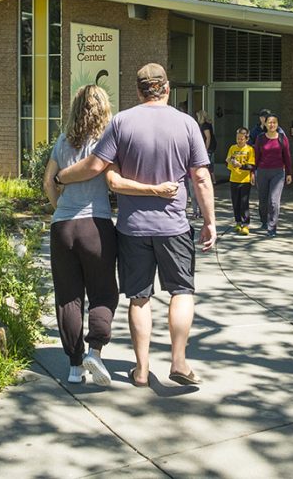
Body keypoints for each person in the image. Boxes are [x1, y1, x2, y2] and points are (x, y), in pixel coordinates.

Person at [56, 63, 216, 388]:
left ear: (139, 90)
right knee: (181, 292)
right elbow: (200, 176)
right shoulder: (186, 123)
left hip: (132, 228)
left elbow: (100, 169)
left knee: (139, 298)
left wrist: (61, 177)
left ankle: (141, 371)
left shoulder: (122, 122)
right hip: (174, 226)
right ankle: (179, 361)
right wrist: (210, 220)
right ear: (167, 88)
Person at [43, 85, 178, 385]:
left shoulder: (62, 141)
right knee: (103, 292)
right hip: (96, 226)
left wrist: (61, 209)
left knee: (68, 297)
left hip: (62, 227)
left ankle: (74, 367)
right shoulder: (107, 141)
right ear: (104, 109)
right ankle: (95, 351)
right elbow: (112, 177)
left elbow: (48, 183)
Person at [252, 114, 292, 238]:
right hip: (262, 172)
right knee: (263, 200)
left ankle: (272, 227)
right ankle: (264, 220)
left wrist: (289, 173)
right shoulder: (260, 138)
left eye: (274, 122)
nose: (272, 124)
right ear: (265, 124)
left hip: (278, 172)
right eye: (269, 122)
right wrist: (252, 172)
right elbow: (256, 157)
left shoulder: (282, 138)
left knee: (274, 201)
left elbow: (287, 156)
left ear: (277, 124)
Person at [226, 127, 256, 235]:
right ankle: (238, 222)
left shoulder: (250, 150)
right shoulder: (232, 148)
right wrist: (229, 161)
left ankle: (245, 224)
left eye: (241, 139)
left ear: (246, 139)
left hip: (245, 180)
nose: (239, 140)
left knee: (244, 202)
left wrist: (241, 165)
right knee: (236, 202)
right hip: (234, 179)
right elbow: (228, 163)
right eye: (238, 138)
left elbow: (251, 165)